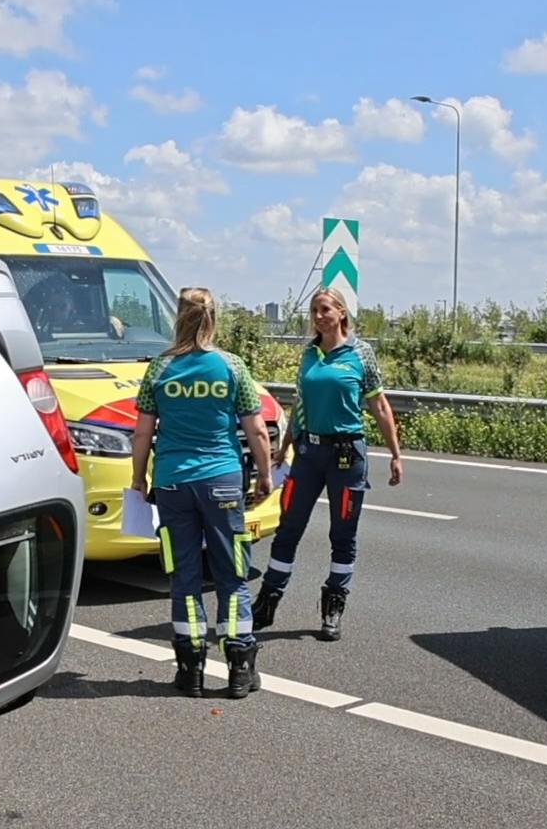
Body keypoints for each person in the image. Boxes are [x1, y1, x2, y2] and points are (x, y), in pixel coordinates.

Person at [129, 288, 274, 699]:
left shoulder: (160, 368)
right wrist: (265, 475)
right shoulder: (231, 366)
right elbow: (256, 428)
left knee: (185, 577)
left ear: (178, 317)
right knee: (232, 576)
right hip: (223, 481)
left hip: (173, 482)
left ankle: (190, 669)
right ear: (214, 317)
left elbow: (143, 431)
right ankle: (240, 670)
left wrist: (139, 478)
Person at [252, 289, 405, 641]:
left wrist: (396, 454)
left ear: (341, 313)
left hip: (346, 455)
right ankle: (268, 601)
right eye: (314, 311)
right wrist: (286, 446)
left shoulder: (360, 354)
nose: (319, 316)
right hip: (308, 453)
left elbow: (379, 406)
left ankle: (333, 604)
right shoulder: (309, 354)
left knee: (343, 534)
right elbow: (300, 404)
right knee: (289, 527)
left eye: (325, 310)